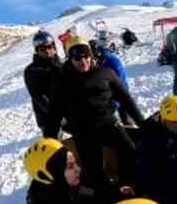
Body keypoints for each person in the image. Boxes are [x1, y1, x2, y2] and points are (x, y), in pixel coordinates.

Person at [43, 41, 145, 186]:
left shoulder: (105, 73)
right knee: (94, 170)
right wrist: (49, 141)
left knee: (129, 150)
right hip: (82, 130)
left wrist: (142, 123)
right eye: (77, 58)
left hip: (108, 123)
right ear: (70, 60)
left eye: (86, 56)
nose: (83, 61)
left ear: (91, 56)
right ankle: (104, 194)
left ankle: (126, 185)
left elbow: (126, 99)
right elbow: (54, 113)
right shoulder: (62, 81)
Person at [92, 32, 135, 126]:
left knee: (125, 118)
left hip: (119, 95)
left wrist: (115, 103)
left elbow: (121, 84)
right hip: (111, 96)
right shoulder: (102, 60)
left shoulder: (113, 62)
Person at [24, 30, 64, 131]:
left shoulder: (62, 66)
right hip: (48, 117)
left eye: (49, 47)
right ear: (37, 51)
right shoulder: (32, 70)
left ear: (54, 47)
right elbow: (37, 96)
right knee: (54, 145)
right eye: (42, 49)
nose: (47, 51)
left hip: (68, 113)